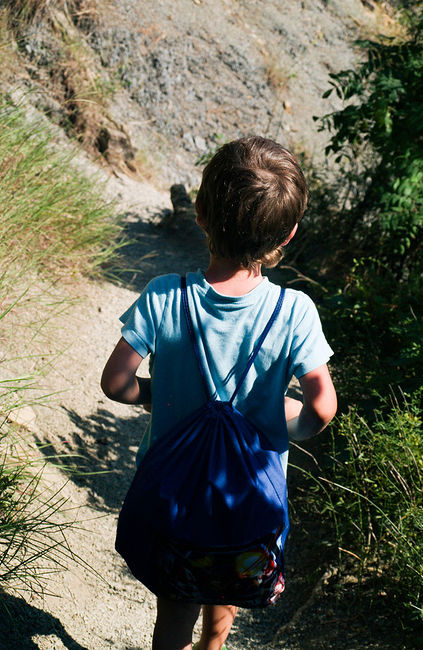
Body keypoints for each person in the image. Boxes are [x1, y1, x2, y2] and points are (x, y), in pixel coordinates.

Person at [101, 136, 337, 650]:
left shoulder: (165, 295)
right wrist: (286, 421)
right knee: (224, 597)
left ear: (201, 214)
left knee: (173, 618)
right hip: (245, 507)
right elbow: (321, 406)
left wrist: (157, 394)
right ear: (289, 234)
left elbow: (116, 383)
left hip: (175, 505)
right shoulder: (295, 313)